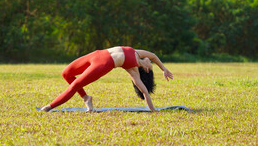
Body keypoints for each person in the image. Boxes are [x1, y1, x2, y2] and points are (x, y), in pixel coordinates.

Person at [40, 46, 173, 112]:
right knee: (66, 73)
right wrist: (164, 69)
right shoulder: (139, 53)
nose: (151, 61)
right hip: (97, 54)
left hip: (102, 65)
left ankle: (49, 107)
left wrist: (153, 111)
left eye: (151, 65)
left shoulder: (133, 72)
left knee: (74, 85)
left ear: (147, 69)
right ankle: (86, 98)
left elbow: (145, 92)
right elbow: (154, 56)